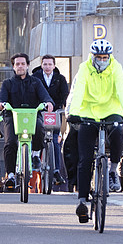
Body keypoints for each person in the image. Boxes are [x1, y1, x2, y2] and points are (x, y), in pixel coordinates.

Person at [68, 40, 123, 222]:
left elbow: (122, 89)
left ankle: (113, 170)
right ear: (93, 57)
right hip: (88, 112)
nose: (103, 60)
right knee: (85, 158)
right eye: (99, 57)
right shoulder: (84, 68)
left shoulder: (116, 67)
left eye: (106, 57)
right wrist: (74, 113)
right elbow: (79, 90)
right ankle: (82, 200)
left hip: (111, 110)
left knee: (118, 133)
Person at [0, 53, 53, 190]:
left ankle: (35, 155)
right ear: (13, 67)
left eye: (22, 64)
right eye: (17, 64)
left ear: (27, 65)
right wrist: (0, 104)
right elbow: (0, 99)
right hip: (12, 117)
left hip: (32, 116)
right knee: (10, 142)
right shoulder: (7, 83)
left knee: (40, 128)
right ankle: (10, 175)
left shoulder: (36, 82)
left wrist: (48, 103)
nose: (20, 66)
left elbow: (46, 97)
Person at [32, 54, 69, 185]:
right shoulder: (35, 78)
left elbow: (66, 96)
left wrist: (66, 109)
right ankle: (35, 156)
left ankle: (56, 170)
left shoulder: (60, 79)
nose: (47, 67)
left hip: (55, 113)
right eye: (45, 64)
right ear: (41, 65)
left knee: (54, 141)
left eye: (50, 64)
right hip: (39, 112)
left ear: (54, 65)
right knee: (37, 135)